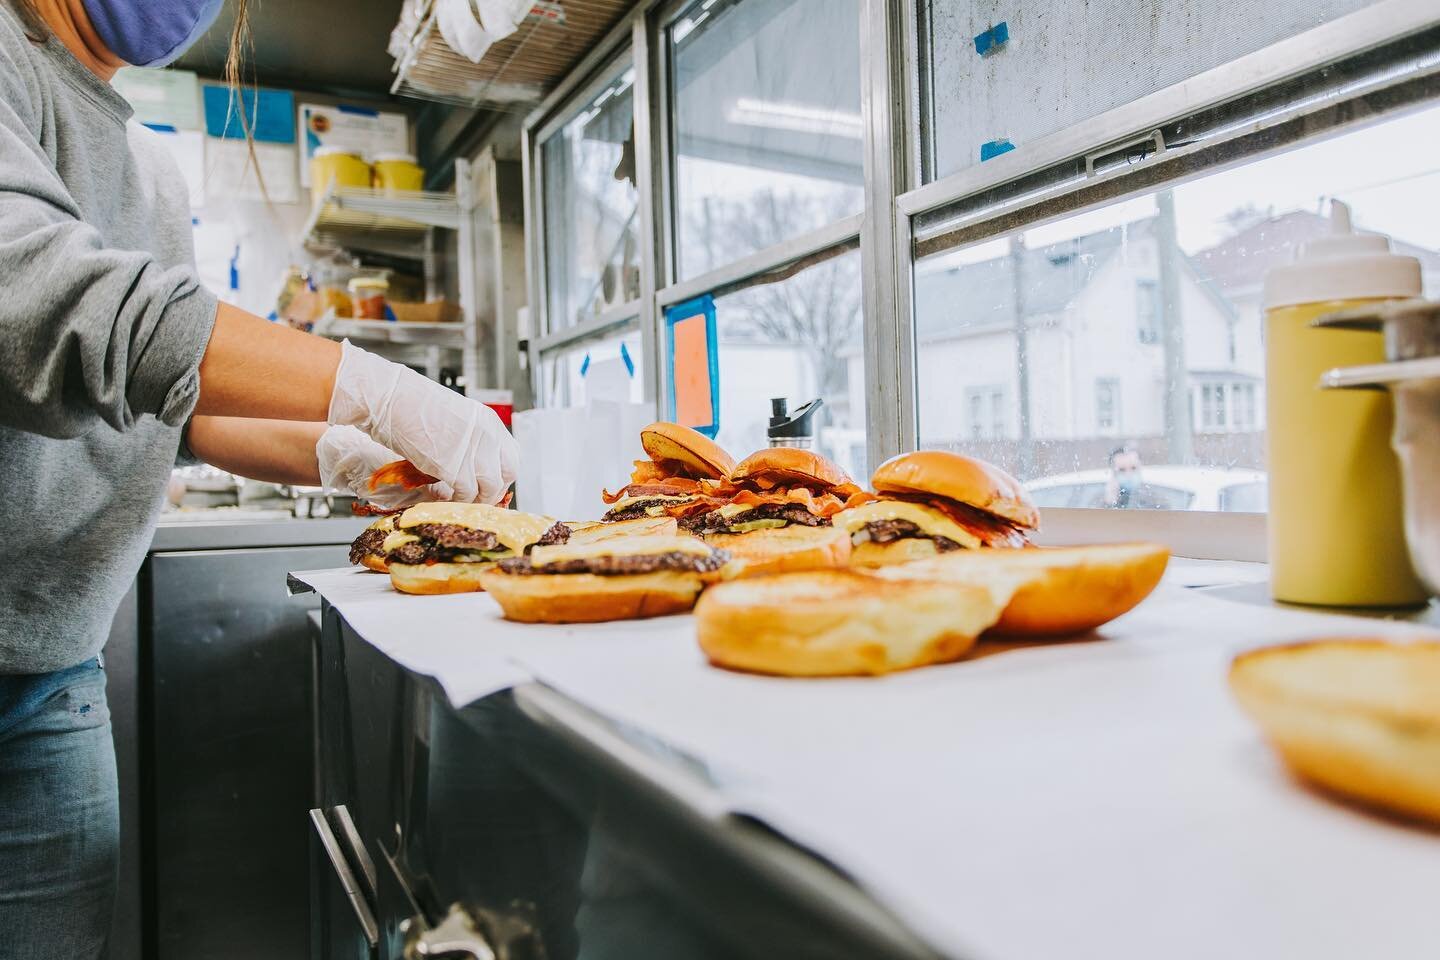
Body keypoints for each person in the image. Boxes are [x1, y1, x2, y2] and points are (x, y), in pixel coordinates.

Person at [0, 2, 517, 957]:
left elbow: (175, 400)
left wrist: (339, 457)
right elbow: (43, 303)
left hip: (52, 670)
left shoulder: (151, 172)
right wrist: (370, 385)